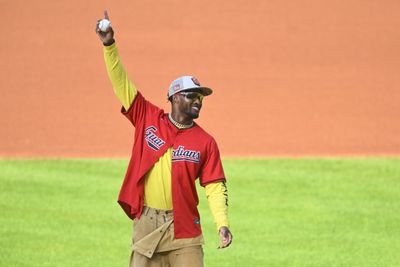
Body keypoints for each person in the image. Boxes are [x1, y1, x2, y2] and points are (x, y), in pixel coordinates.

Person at [95, 11, 232, 267]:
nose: (197, 101)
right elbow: (121, 82)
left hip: (185, 229)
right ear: (174, 97)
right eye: (192, 96)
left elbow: (214, 186)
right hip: (147, 223)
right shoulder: (147, 117)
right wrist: (109, 46)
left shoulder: (206, 142)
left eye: (200, 98)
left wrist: (222, 224)